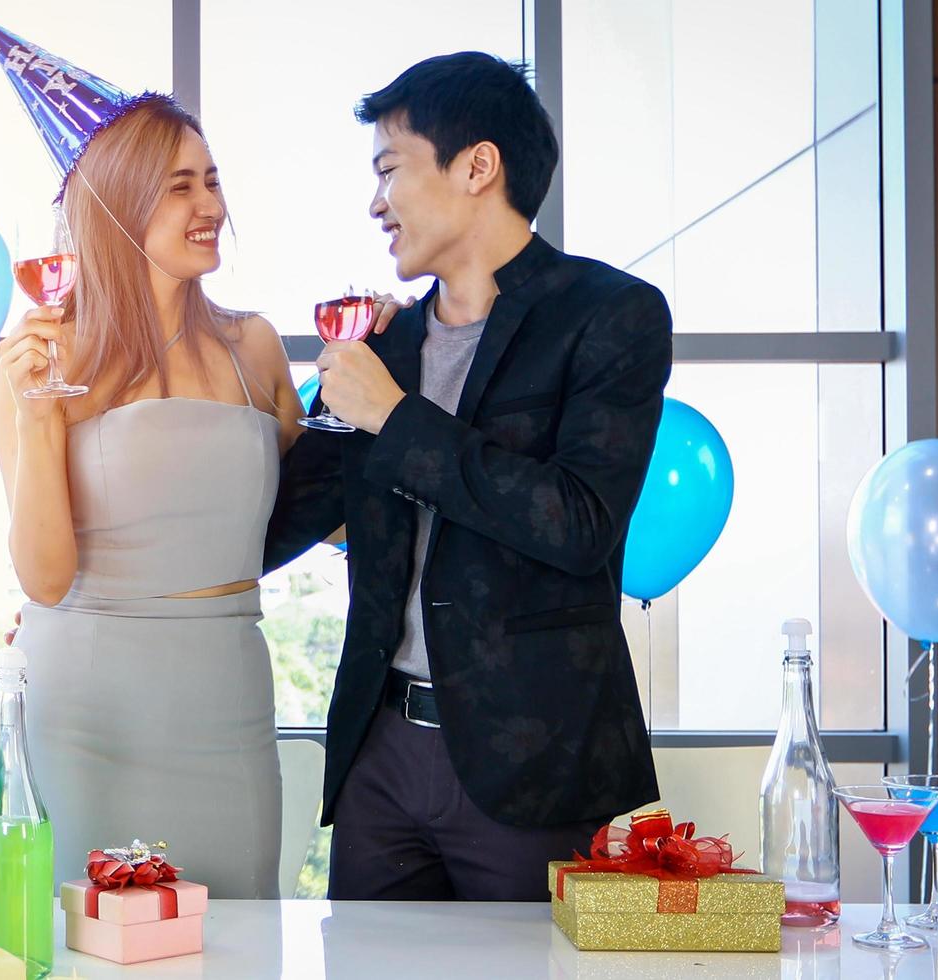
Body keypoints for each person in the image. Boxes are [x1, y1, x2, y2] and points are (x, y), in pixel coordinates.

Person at [264, 51, 672, 901]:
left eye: (388, 169)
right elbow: (269, 527)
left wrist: (395, 416)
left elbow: (579, 523)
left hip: (534, 768)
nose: (374, 203)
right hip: (378, 762)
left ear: (477, 165)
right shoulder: (386, 350)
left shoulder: (610, 315)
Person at [0, 13, 303, 898]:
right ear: (119, 207)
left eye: (213, 181)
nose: (212, 208)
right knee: (91, 942)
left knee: (236, 937)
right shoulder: (44, 360)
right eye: (180, 187)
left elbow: (317, 506)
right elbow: (44, 579)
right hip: (88, 716)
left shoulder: (255, 348)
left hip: (227, 705)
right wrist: (40, 418)